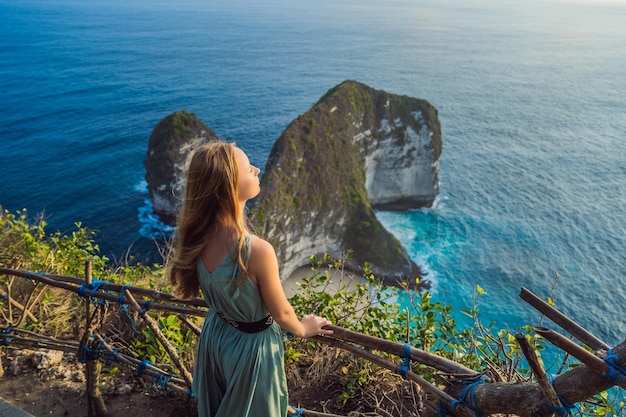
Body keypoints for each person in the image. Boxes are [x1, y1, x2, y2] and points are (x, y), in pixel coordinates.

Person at [167, 140, 333, 417]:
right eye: (248, 169)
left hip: (217, 334)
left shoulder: (196, 238)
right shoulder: (256, 251)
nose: (257, 169)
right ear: (229, 187)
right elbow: (281, 312)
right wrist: (304, 328)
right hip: (251, 348)